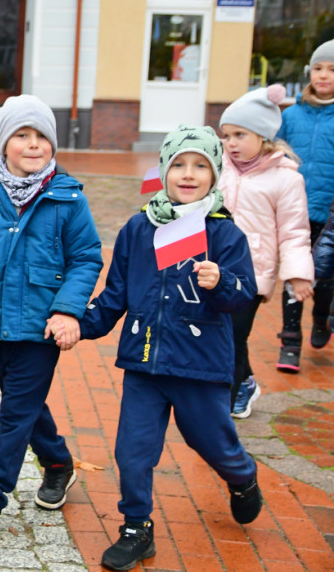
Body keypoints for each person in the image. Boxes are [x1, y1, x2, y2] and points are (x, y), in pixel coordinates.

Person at [79, 124, 262, 571]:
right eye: (178, 164)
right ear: (163, 170)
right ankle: (136, 528)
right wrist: (77, 325)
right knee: (132, 451)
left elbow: (244, 294)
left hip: (199, 366)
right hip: (145, 364)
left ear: (215, 174)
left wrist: (221, 282)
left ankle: (242, 477)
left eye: (200, 165)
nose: (188, 173)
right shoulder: (139, 229)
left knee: (212, 442)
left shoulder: (224, 233)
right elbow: (114, 295)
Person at [0, 95, 103, 532]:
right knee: (24, 406)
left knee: (14, 412)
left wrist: (68, 310)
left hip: (41, 327)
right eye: (22, 136)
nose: (33, 145)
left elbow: (86, 258)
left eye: (41, 137)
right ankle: (58, 462)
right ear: (3, 144)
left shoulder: (67, 199)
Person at [218, 85, 313, 394]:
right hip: (215, 268)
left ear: (263, 136)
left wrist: (297, 275)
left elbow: (294, 231)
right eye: (226, 135)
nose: (231, 143)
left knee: (235, 334)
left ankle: (228, 401)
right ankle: (244, 381)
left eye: (240, 135)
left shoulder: (286, 178)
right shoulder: (218, 168)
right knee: (223, 334)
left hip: (253, 272)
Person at [276, 38, 334, 354]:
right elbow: (276, 154)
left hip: (330, 216)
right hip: (295, 212)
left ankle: (321, 317)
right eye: (318, 68)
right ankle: (290, 339)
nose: (323, 75)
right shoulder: (291, 116)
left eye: (332, 69)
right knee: (294, 273)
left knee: (323, 278)